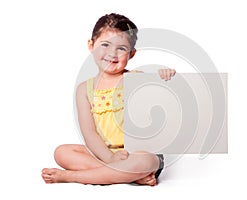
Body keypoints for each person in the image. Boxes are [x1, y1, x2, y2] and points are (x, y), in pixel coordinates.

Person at [41, 13, 176, 186]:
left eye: (121, 48)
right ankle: (130, 175)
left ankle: (72, 176)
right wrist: (110, 158)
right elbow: (89, 133)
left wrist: (165, 79)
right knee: (62, 152)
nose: (112, 53)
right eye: (105, 44)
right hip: (104, 154)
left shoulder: (137, 80)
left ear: (132, 54)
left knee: (146, 161)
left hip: (137, 153)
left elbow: (162, 105)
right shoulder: (84, 89)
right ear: (91, 45)